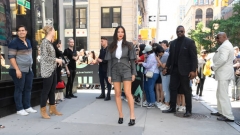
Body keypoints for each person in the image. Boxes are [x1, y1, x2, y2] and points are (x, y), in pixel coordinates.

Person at [162, 25, 197, 117]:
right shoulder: (173, 43)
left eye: (181, 31)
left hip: (185, 71)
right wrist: (166, 67)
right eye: (178, 31)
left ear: (184, 31)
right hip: (174, 70)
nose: (179, 33)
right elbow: (170, 57)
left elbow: (194, 57)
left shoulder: (189, 42)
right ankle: (172, 107)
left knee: (186, 90)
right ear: (176, 32)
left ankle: (188, 110)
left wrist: (193, 70)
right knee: (172, 88)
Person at [105, 26, 137, 126]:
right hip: (114, 70)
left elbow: (132, 61)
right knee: (117, 93)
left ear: (124, 33)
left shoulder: (129, 45)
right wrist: (109, 75)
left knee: (128, 93)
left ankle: (132, 116)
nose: (120, 33)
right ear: (116, 33)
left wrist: (133, 72)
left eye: (122, 32)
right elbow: (109, 62)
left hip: (126, 69)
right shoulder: (111, 46)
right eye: (118, 32)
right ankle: (121, 115)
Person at [8, 25, 37, 116]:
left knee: (28, 88)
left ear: (26, 31)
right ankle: (19, 109)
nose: (21, 32)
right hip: (19, 70)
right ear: (17, 32)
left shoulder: (28, 41)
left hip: (28, 69)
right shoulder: (14, 42)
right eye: (19, 31)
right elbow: (11, 57)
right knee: (19, 89)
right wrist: (17, 70)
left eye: (23, 30)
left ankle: (27, 106)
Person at [210, 32, 234, 122]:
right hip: (223, 73)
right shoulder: (226, 45)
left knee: (223, 95)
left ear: (224, 37)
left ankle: (228, 115)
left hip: (224, 73)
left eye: (218, 38)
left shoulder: (225, 46)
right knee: (220, 94)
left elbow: (223, 59)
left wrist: (214, 66)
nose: (217, 40)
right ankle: (221, 111)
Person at [40, 25, 63, 119]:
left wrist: (56, 60)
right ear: (50, 31)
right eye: (53, 30)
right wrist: (56, 60)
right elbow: (45, 57)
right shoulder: (44, 42)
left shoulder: (50, 42)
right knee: (46, 91)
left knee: (52, 90)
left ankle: (53, 108)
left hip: (52, 69)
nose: (54, 31)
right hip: (47, 70)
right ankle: (43, 110)